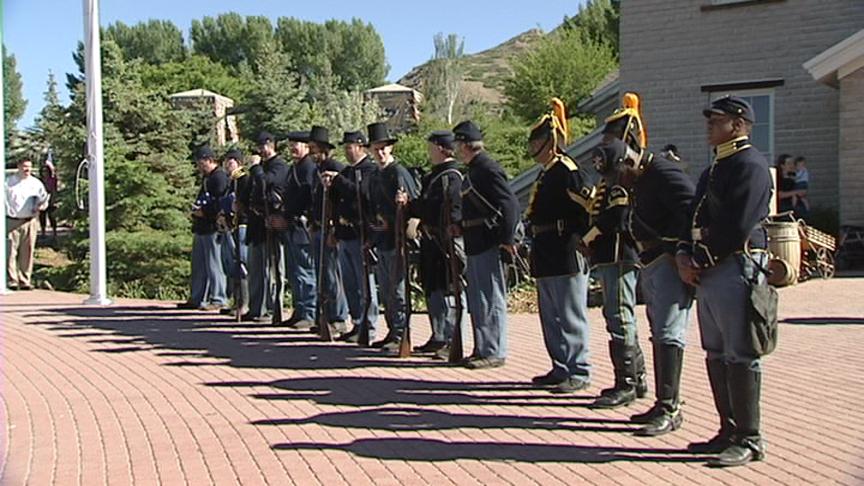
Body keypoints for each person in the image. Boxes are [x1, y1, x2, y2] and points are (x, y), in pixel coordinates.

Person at [678, 96, 773, 467]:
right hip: (709, 268)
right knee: (716, 352)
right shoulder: (714, 168)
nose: (709, 126)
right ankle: (727, 429)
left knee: (740, 352)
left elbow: (738, 225)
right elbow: (693, 215)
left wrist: (698, 259)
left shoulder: (750, 165)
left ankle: (749, 438)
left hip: (735, 265)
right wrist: (685, 253)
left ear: (737, 124)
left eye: (716, 121)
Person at [525, 100, 596, 392]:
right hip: (545, 248)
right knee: (551, 314)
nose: (532, 146)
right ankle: (560, 366)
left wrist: (586, 240)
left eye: (537, 141)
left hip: (566, 248)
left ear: (550, 142)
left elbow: (591, 205)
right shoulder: (546, 172)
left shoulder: (568, 170)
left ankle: (579, 370)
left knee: (570, 314)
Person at [586, 93, 647, 409]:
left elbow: (618, 217)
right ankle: (635, 378)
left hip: (620, 252)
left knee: (620, 315)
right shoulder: (612, 179)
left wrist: (593, 234)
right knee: (616, 314)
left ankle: (628, 382)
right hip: (610, 253)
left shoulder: (625, 177)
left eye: (610, 136)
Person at [454, 120, 520, 369]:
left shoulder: (488, 168)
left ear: (466, 144)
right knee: (480, 298)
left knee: (491, 297)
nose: (457, 149)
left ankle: (493, 350)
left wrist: (507, 240)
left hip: (488, 240)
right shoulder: (474, 170)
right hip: (474, 239)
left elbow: (510, 205)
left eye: (459, 144)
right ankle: (483, 346)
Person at [396, 130, 467, 359]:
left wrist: (416, 206)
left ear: (440, 148)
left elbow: (447, 208)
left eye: (432, 147)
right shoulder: (435, 176)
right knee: (432, 286)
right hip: (430, 238)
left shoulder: (452, 176)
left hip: (443, 240)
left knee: (447, 289)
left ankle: (449, 337)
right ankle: (438, 334)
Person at [321, 130, 380, 344]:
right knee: (349, 283)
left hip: (360, 232)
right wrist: (334, 229)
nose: (347, 152)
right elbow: (338, 204)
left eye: (350, 147)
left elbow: (362, 197)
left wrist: (339, 182)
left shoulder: (370, 170)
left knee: (365, 283)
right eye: (345, 148)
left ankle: (369, 325)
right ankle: (357, 321)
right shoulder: (346, 171)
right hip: (344, 232)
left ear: (360, 147)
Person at [366, 122, 419, 353]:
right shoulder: (376, 174)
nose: (380, 152)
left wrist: (396, 216)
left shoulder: (398, 172)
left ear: (390, 149)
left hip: (397, 239)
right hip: (382, 239)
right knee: (386, 288)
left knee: (397, 290)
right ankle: (392, 330)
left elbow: (410, 205)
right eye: (376, 148)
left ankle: (400, 333)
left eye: (383, 148)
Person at [268, 131, 317, 328]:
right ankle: (300, 309)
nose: (293, 149)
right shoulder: (295, 168)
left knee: (305, 271)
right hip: (290, 224)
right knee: (294, 271)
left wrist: (287, 216)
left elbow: (304, 197)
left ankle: (309, 312)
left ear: (306, 147)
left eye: (297, 145)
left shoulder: (308, 168)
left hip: (300, 225)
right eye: (291, 145)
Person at [308, 125, 350, 336]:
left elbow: (340, 198)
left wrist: (334, 226)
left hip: (329, 227)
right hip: (317, 225)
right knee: (322, 274)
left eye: (313, 148)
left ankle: (338, 317)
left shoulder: (334, 167)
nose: (311, 152)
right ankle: (325, 314)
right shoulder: (316, 169)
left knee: (333, 274)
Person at [180, 146, 229, 310]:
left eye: (201, 163)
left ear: (210, 160)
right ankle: (197, 297)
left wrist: (205, 212)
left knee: (215, 264)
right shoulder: (207, 178)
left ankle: (218, 297)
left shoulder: (219, 177)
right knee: (199, 265)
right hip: (201, 226)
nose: (199, 167)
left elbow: (221, 201)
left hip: (212, 226)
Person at [5, 158, 49, 290]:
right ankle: (12, 280)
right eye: (24, 167)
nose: (27, 170)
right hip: (11, 220)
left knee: (27, 251)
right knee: (10, 252)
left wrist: (41, 206)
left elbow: (44, 199)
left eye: (29, 167)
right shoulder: (8, 182)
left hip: (29, 221)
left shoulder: (36, 183)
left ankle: (25, 280)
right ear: (18, 167)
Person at [239, 152, 273, 322]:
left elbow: (265, 185)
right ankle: (255, 307)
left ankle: (268, 310)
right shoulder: (256, 171)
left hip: (267, 227)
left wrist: (257, 169)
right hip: (255, 226)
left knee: (268, 272)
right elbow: (248, 193)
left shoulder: (276, 167)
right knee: (255, 271)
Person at [217, 149, 250, 316]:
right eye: (227, 161)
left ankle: (245, 303)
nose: (228, 164)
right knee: (232, 265)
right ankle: (237, 300)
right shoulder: (231, 182)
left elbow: (244, 202)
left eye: (232, 161)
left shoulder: (243, 180)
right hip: (231, 226)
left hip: (242, 225)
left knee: (242, 263)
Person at [38, 154, 59, 241]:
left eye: (46, 171)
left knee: (52, 217)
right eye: (43, 171)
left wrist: (53, 199)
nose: (44, 173)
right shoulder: (39, 180)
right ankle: (43, 232)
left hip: (51, 200)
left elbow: (55, 189)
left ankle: (54, 233)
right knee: (42, 217)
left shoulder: (53, 179)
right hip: (42, 200)